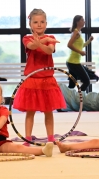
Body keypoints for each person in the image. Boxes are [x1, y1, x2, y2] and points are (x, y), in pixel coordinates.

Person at [13, 8, 66, 146]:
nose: (39, 24)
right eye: (35, 22)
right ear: (30, 24)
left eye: (42, 22)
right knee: (30, 112)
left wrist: (43, 43)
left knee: (48, 111)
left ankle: (50, 138)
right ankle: (28, 138)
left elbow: (49, 50)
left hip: (47, 79)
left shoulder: (51, 38)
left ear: (46, 23)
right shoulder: (27, 38)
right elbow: (31, 45)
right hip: (32, 80)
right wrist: (38, 43)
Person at [66, 15, 94, 92]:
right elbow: (69, 45)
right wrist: (80, 52)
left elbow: (81, 46)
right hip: (73, 62)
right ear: (77, 22)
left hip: (73, 62)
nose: (84, 21)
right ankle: (78, 99)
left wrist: (89, 41)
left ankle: (69, 101)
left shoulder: (78, 32)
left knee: (72, 85)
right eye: (82, 20)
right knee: (86, 81)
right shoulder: (76, 32)